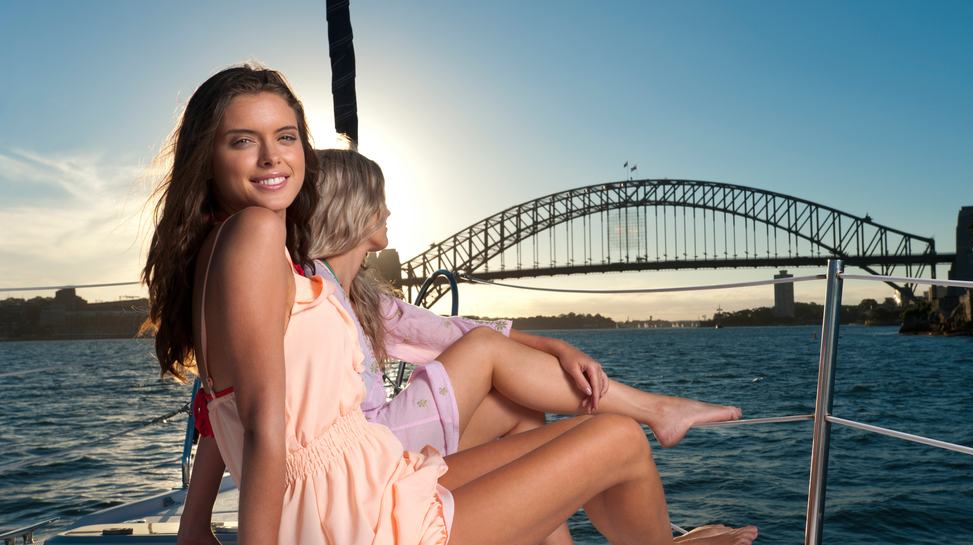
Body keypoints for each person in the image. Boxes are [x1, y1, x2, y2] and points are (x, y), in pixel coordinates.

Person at [146, 63, 758, 545]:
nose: (272, 157)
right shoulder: (256, 233)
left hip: (364, 479)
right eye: (243, 141)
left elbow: (227, 407)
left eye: (285, 137)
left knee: (559, 428)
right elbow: (259, 425)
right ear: (210, 155)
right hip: (347, 516)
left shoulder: (223, 250)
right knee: (619, 439)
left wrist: (195, 524)